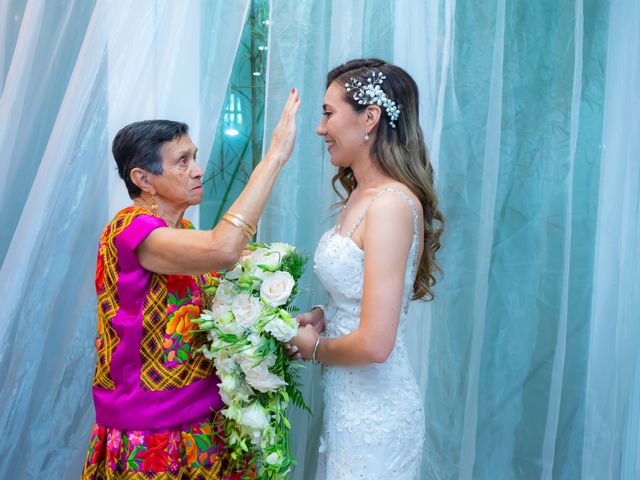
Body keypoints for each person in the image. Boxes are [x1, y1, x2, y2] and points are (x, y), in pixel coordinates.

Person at [80, 91, 300, 479]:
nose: (198, 170)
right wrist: (275, 157)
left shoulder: (181, 231)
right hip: (153, 431)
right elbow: (225, 248)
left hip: (205, 418)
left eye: (194, 157)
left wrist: (280, 327)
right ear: (143, 179)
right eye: (183, 161)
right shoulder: (130, 229)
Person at [288, 59, 444, 479]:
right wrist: (326, 315)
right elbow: (359, 291)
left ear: (370, 118)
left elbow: (377, 344)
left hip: (378, 418)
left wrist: (313, 348)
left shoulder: (390, 204)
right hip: (350, 407)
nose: (320, 129)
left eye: (328, 112)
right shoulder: (362, 192)